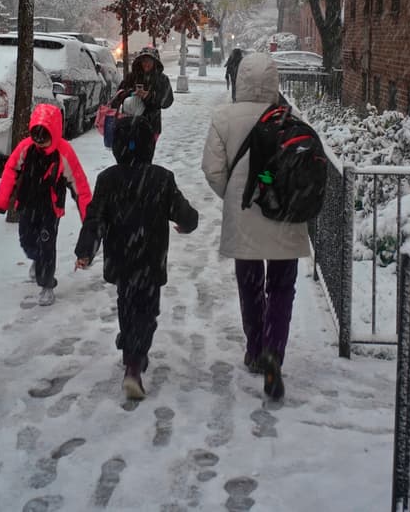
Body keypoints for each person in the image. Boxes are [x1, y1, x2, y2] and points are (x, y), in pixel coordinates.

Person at [200, 51, 308, 402]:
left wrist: (234, 196)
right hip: (285, 213)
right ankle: (274, 352)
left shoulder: (224, 118)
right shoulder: (289, 117)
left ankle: (255, 347)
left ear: (240, 78)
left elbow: (212, 170)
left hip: (245, 213)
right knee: (282, 287)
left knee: (250, 286)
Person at [75, 114, 198, 400]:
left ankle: (129, 343)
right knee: (147, 312)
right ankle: (134, 361)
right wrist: (188, 223)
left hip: (121, 257)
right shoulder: (161, 179)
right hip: (150, 258)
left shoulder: (108, 179)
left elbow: (95, 219)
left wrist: (86, 250)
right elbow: (183, 212)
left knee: (127, 303)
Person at [0, 103, 92, 306]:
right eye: (36, 138)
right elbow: (11, 169)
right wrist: (3, 200)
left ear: (54, 134)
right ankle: (36, 259)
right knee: (27, 241)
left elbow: (80, 186)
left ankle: (46, 284)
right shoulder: (26, 147)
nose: (40, 143)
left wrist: (88, 218)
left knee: (47, 245)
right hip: (27, 205)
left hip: (50, 209)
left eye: (44, 139)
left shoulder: (64, 153)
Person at [109, 46, 174, 140]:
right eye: (144, 61)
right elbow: (119, 95)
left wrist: (149, 97)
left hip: (151, 126)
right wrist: (131, 93)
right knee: (127, 148)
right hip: (128, 124)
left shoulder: (162, 79)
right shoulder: (132, 76)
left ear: (155, 62)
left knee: (144, 149)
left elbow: (167, 101)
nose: (146, 64)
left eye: (149, 61)